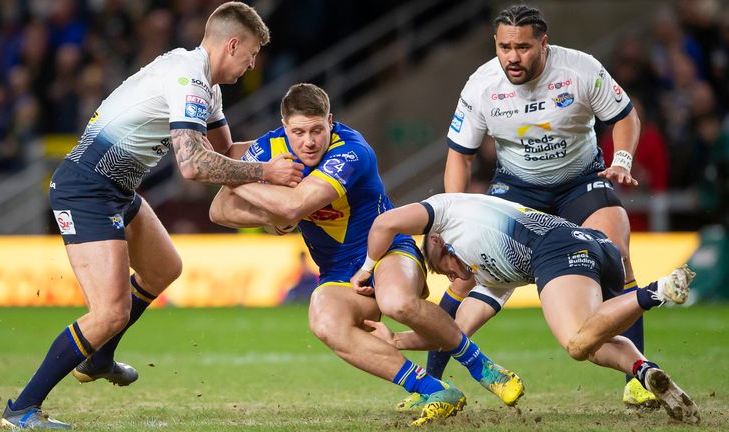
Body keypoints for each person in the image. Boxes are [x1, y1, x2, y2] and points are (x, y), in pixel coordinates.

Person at [0, 3, 304, 430]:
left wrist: (292, 147)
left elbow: (225, 153)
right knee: (109, 312)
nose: (253, 63)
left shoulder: (206, 87)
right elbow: (195, 166)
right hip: (85, 188)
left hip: (116, 189)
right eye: (251, 53)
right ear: (232, 44)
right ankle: (21, 409)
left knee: (164, 267)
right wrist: (266, 173)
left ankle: (98, 358)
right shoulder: (188, 78)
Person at [209, 83, 525, 426]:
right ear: (284, 128)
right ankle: (433, 389)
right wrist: (263, 183)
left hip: (387, 248)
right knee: (324, 323)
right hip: (337, 269)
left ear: (330, 121)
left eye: (317, 130)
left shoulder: (351, 151)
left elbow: (295, 204)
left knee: (397, 303)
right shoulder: (267, 149)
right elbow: (220, 210)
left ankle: (483, 367)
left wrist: (244, 180)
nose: (309, 142)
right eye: (298, 132)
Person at [417, 4, 660, 411]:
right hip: (517, 191)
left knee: (617, 257)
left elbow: (625, 116)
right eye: (504, 47)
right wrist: (450, 217)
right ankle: (432, 385)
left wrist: (621, 159)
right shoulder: (481, 84)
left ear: (543, 44)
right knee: (465, 277)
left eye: (523, 47)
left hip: (579, 183)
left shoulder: (580, 70)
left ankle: (636, 380)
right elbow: (460, 155)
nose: (512, 57)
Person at [354, 193, 700, 425]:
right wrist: (396, 340)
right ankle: (644, 369)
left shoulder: (444, 212)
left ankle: (657, 290)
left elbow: (385, 223)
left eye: (445, 270)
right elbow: (453, 333)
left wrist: (366, 269)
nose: (453, 276)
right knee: (594, 342)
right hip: (595, 245)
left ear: (438, 244)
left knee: (576, 342)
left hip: (556, 249)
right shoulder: (491, 277)